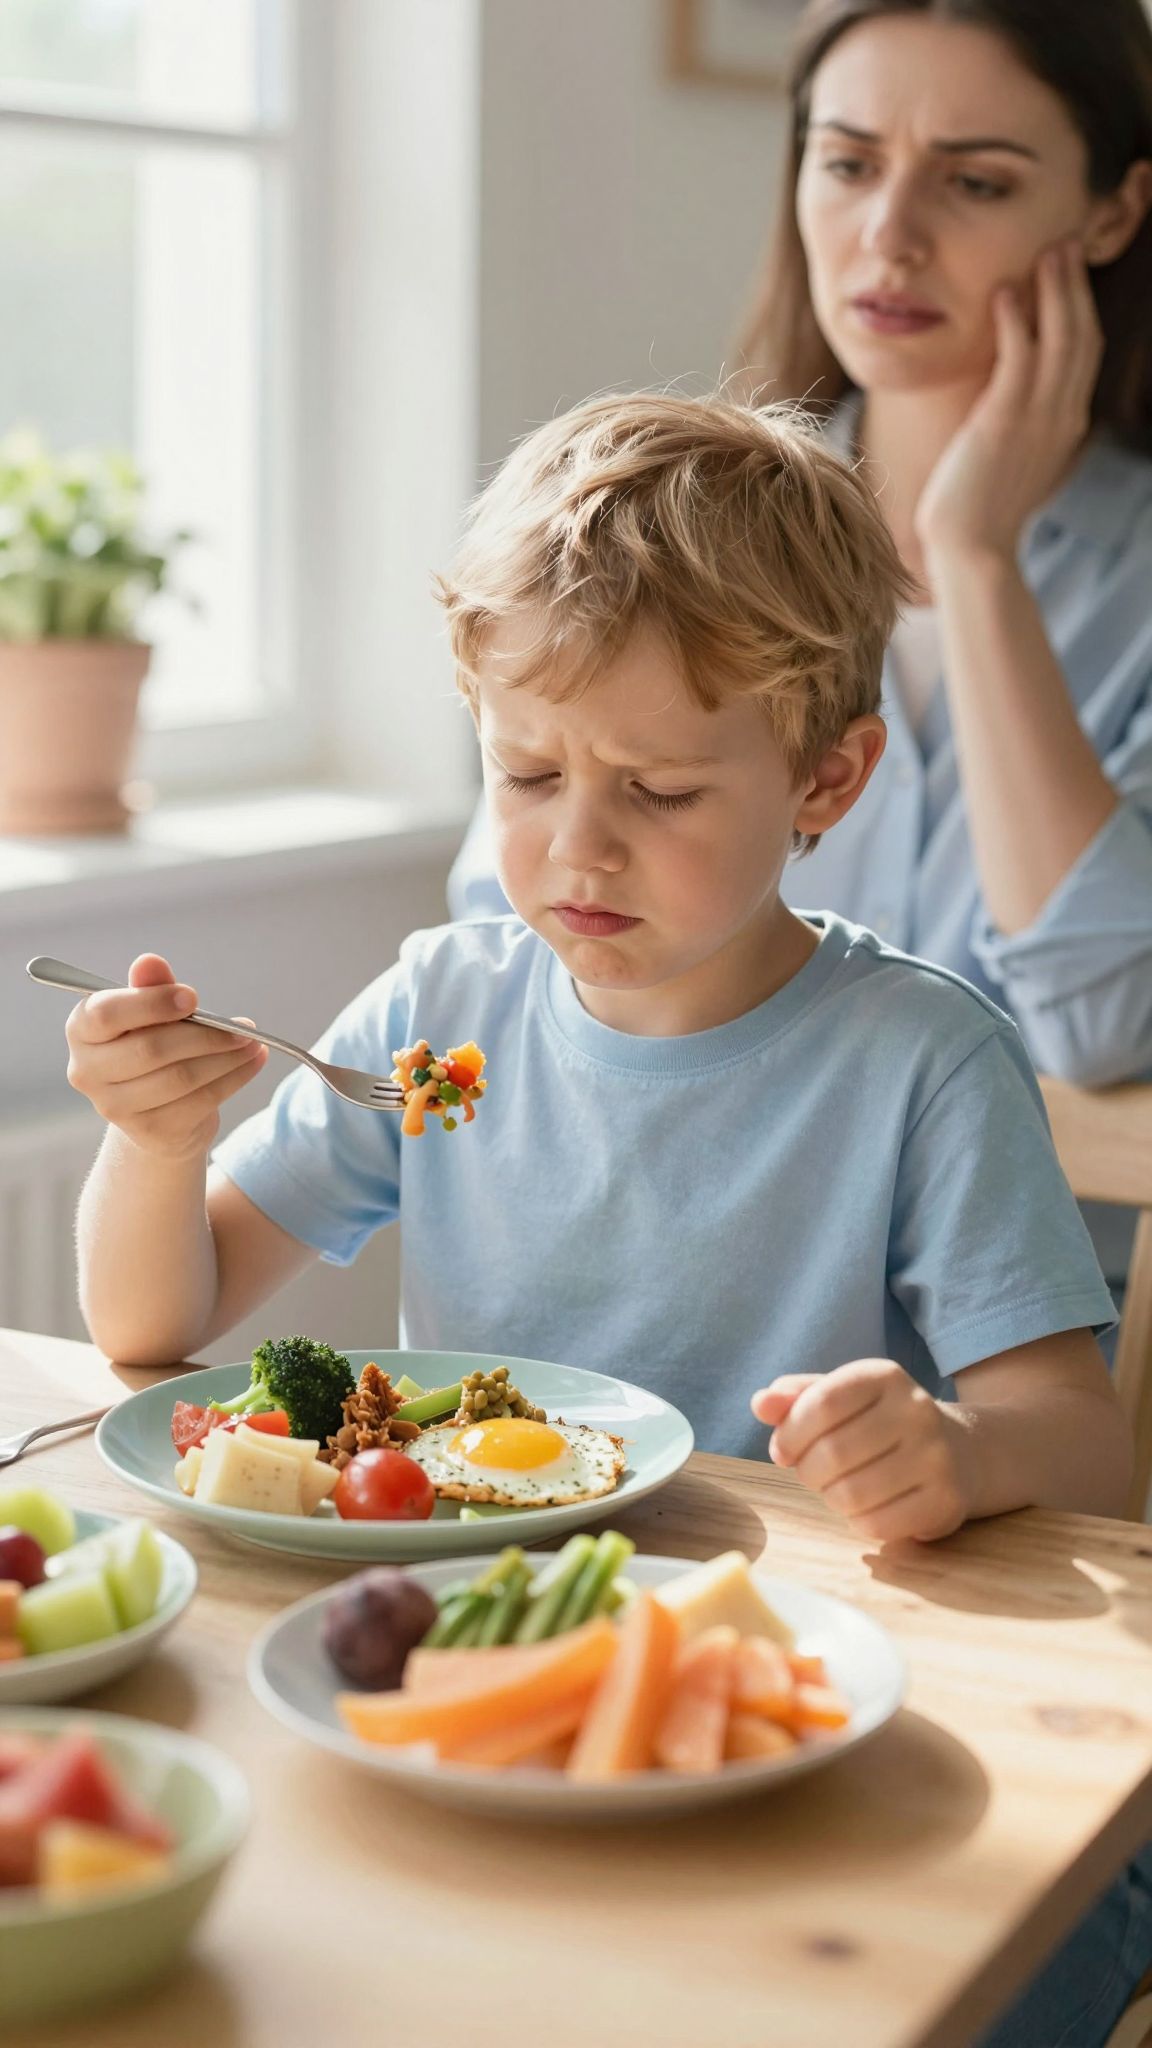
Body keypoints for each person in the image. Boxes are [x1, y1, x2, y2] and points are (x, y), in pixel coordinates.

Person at [65, 392, 1139, 2044]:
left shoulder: (919, 1061)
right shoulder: (446, 1021)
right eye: (528, 771)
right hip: (485, 1666)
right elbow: (156, 1320)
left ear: (827, 779)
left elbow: (1085, 1448)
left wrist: (960, 1452)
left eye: (660, 790)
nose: (579, 846)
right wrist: (152, 1144)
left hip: (780, 1688)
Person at [447, 0, 1152, 1295]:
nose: (890, 235)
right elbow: (503, 936)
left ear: (1112, 211)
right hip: (674, 1302)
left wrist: (974, 560)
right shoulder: (685, 534)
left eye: (977, 182)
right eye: (848, 162)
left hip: (1027, 1351)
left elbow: (1104, 1027)